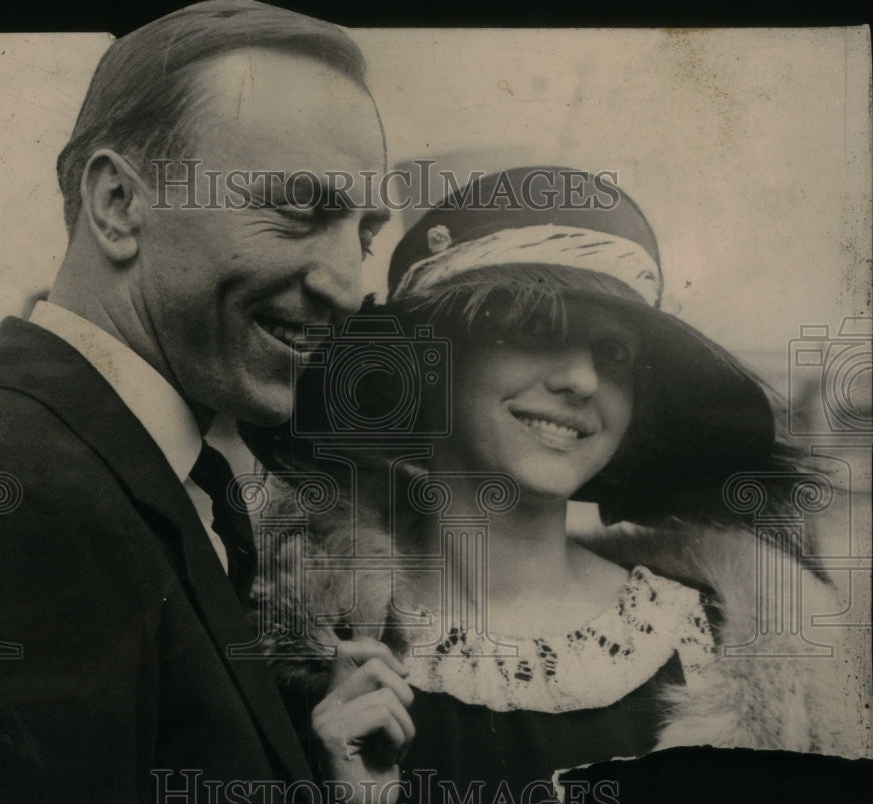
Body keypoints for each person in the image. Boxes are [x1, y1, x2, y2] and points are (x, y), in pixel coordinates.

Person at [0, 3, 411, 802]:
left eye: (362, 235)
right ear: (119, 204)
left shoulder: (111, 474)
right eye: (302, 210)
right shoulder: (22, 505)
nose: (348, 285)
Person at [247, 167, 867, 802]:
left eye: (615, 355)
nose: (583, 380)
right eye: (535, 328)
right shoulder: (298, 656)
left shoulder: (725, 645)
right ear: (429, 363)